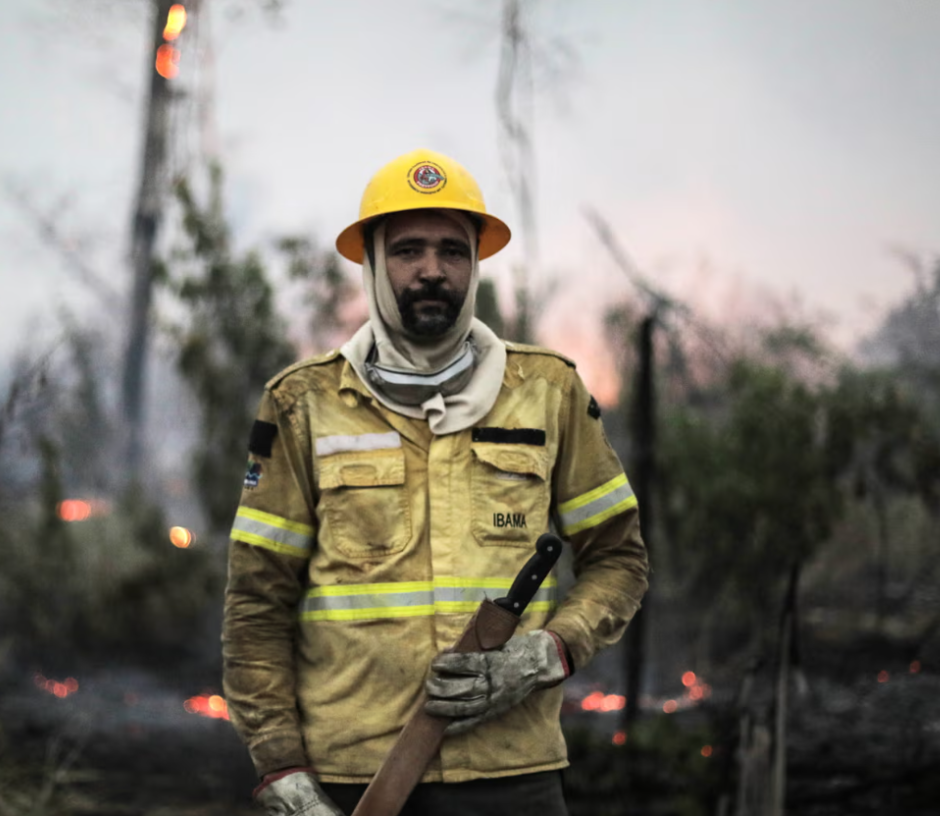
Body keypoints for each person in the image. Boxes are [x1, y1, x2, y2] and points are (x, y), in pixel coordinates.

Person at [222, 149, 649, 816]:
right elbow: (256, 602)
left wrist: (543, 656)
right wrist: (281, 767)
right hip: (355, 780)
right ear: (372, 263)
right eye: (408, 250)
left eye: (452, 250)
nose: (431, 271)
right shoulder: (302, 404)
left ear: (475, 265)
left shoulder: (548, 392)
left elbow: (619, 559)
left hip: (513, 776)